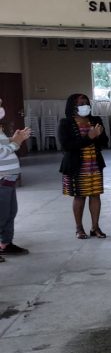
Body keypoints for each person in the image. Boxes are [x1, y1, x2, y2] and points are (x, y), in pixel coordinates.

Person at [59, 93, 109, 239]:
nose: (84, 106)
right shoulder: (66, 123)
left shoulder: (95, 120)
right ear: (73, 107)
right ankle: (79, 228)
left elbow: (105, 142)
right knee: (79, 196)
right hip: (76, 166)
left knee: (95, 195)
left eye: (86, 102)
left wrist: (99, 136)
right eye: (80, 104)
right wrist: (89, 137)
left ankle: (95, 227)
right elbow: (67, 146)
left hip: (94, 165)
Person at [0, 98, 32, 261]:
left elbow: (3, 147)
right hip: (2, 180)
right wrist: (15, 144)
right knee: (2, 215)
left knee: (10, 213)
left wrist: (14, 139)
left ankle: (5, 244)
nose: (1, 106)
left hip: (8, 179)